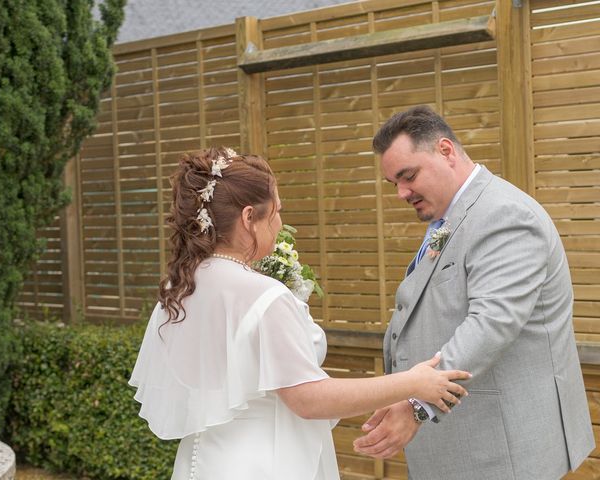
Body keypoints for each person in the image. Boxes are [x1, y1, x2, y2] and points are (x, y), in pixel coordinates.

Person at [129, 147, 470, 480]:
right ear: (249, 218)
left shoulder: (179, 288)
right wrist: (412, 382)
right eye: (276, 212)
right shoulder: (262, 295)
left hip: (202, 463)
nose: (279, 225)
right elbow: (308, 399)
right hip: (266, 464)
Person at [353, 105, 595, 479]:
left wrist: (417, 405)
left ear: (446, 151)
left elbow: (491, 324)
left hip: (501, 447)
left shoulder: (505, 215)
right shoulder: (453, 214)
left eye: (408, 176)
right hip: (463, 440)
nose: (401, 193)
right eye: (394, 184)